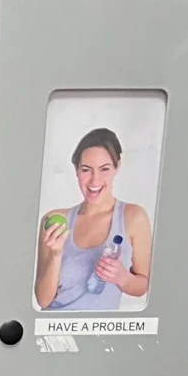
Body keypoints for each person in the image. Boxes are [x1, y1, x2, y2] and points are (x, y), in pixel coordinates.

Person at [35, 127, 152, 311]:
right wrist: (56, 255)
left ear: (117, 167)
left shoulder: (134, 217)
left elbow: (144, 284)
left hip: (99, 328)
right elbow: (43, 301)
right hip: (53, 326)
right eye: (86, 170)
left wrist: (123, 278)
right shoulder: (55, 220)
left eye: (104, 169)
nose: (94, 180)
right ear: (76, 170)